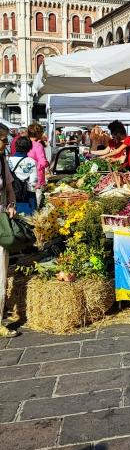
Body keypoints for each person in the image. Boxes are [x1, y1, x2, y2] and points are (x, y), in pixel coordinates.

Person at [0, 128, 18, 337]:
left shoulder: (1, 161)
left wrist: (12, 204)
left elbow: (10, 188)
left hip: (1, 221)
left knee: (1, 271)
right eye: (3, 141)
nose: (7, 144)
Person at [8, 136, 38, 216]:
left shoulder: (9, 160)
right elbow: (33, 180)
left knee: (15, 218)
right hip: (28, 195)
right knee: (30, 219)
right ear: (29, 148)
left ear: (16, 146)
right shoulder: (31, 162)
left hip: (13, 193)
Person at [27, 124, 49, 207]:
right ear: (38, 133)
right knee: (37, 203)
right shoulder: (38, 146)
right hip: (36, 178)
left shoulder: (23, 142)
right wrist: (47, 163)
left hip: (23, 176)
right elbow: (43, 162)